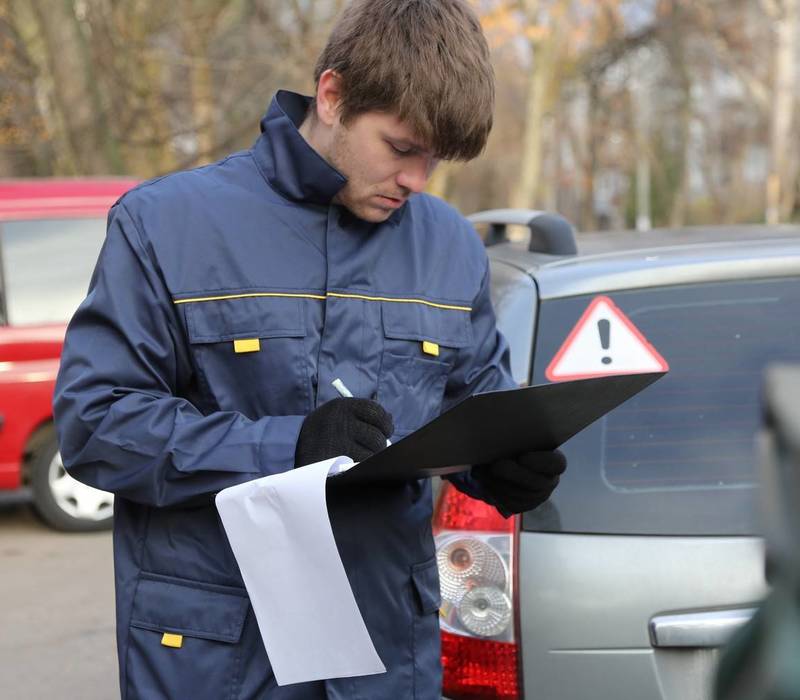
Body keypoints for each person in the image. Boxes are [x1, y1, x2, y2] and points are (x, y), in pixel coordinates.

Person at [54, 1, 566, 698]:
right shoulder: (165, 226)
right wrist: (283, 449)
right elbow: (96, 426)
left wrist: (503, 468)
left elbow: (469, 406)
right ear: (333, 96)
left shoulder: (447, 244)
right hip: (219, 660)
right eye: (401, 147)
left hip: (384, 653)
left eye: (435, 159)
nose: (418, 180)